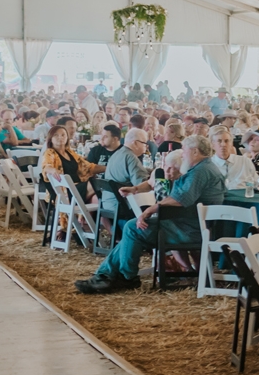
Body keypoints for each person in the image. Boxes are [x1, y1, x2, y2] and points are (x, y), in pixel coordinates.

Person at [76, 135, 226, 294]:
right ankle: (109, 275)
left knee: (133, 228)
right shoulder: (204, 168)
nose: (182, 155)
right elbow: (169, 192)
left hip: (188, 230)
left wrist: (149, 210)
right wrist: (137, 191)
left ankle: (122, 277)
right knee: (132, 229)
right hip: (188, 225)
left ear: (195, 151)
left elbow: (179, 199)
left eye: (184, 151)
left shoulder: (200, 171)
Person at [41, 125, 98, 203]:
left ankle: (86, 215)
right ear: (51, 138)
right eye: (56, 135)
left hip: (78, 188)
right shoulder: (50, 153)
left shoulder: (70, 152)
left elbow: (88, 167)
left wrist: (107, 168)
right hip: (66, 192)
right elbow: (46, 167)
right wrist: (53, 170)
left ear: (67, 137)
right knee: (97, 184)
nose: (60, 137)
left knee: (95, 198)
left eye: (63, 135)